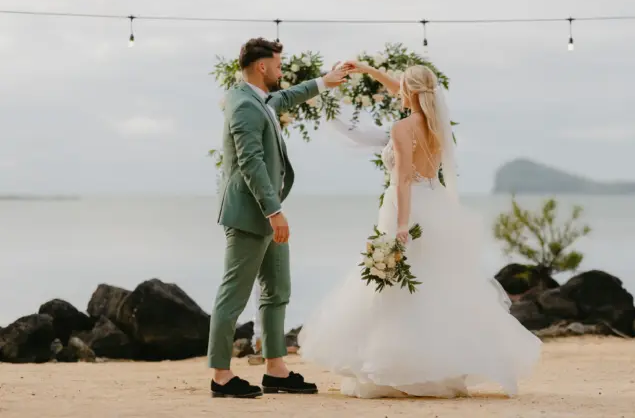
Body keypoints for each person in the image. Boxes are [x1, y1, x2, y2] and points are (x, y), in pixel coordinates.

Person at [298, 62, 541, 398]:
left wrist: (401, 225)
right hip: (436, 204)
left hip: (406, 208)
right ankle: (442, 366)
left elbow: (402, 179)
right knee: (438, 285)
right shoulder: (438, 125)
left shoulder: (402, 128)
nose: (396, 91)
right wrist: (368, 69)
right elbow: (407, 89)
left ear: (408, 91)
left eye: (401, 88)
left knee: (396, 288)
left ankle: (396, 367)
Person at [207, 37, 347, 398]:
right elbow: (251, 161)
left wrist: (323, 82)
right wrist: (274, 211)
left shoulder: (258, 99)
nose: (282, 71)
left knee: (277, 289)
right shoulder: (242, 105)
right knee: (233, 296)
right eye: (279, 65)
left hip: (268, 214)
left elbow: (283, 99)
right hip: (250, 214)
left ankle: (275, 369)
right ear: (262, 66)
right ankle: (221, 376)